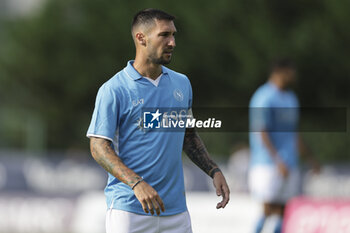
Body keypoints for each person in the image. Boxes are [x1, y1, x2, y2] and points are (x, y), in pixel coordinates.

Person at [86, 8, 230, 233]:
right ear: (141, 38)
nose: (172, 42)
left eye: (173, 35)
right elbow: (98, 146)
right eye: (164, 35)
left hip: (176, 213)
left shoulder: (182, 84)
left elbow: (188, 136)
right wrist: (137, 183)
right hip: (130, 211)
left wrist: (213, 170)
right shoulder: (114, 89)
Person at [249, 59, 320, 233]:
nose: (294, 76)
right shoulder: (263, 96)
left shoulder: (290, 98)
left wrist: (310, 159)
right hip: (267, 164)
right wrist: (277, 160)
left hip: (290, 163)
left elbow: (293, 133)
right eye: (290, 72)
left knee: (284, 210)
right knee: (267, 208)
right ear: (280, 72)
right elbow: (260, 132)